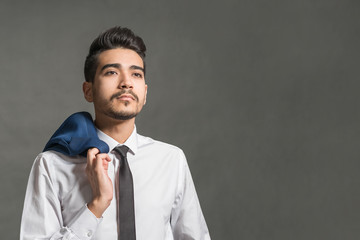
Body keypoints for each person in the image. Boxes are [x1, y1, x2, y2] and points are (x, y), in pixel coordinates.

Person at [20, 26, 210, 240]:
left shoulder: (171, 160)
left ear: (145, 93)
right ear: (88, 90)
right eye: (112, 72)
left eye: (136, 74)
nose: (126, 82)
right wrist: (97, 205)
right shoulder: (52, 165)